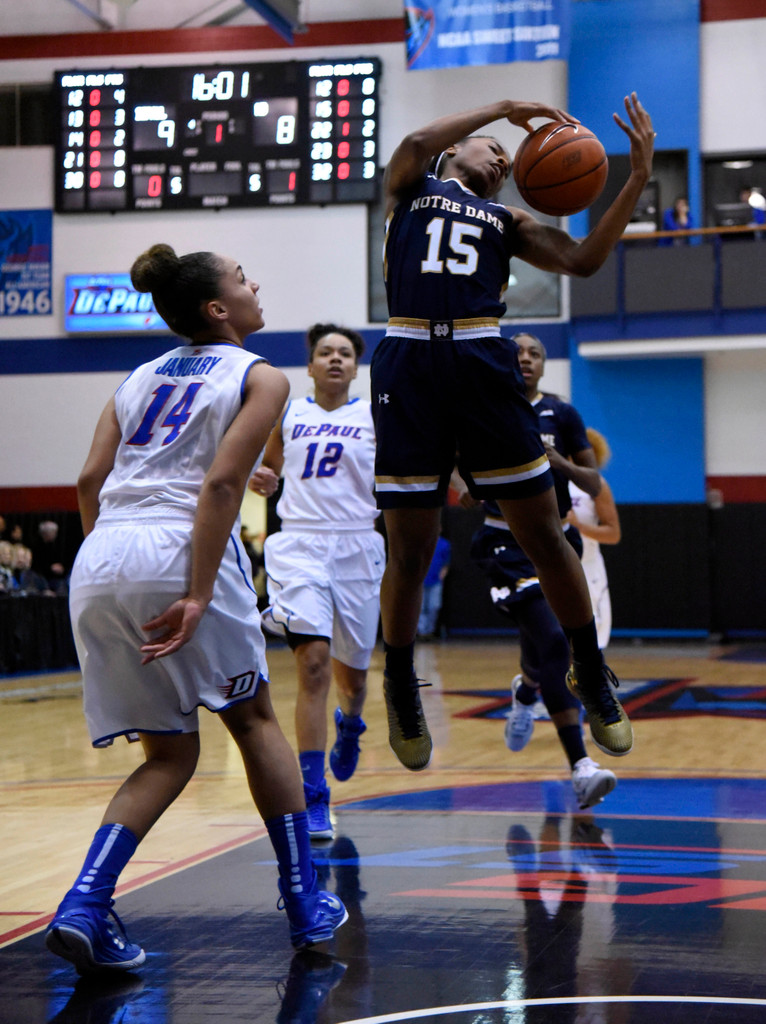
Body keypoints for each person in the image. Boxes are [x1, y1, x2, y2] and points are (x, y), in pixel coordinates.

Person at [44, 243, 347, 976]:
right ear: (218, 309)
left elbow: (89, 479)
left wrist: (117, 569)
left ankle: (86, 901)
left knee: (170, 752)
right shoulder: (262, 375)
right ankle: (304, 901)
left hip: (104, 556)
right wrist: (197, 590)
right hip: (183, 549)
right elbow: (219, 487)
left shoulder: (137, 377)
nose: (255, 284)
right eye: (243, 279)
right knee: (251, 720)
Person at [372, 94, 655, 771]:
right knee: (408, 552)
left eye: (506, 153)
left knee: (547, 536)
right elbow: (413, 141)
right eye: (489, 147)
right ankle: (401, 682)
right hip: (409, 360)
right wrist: (502, 108)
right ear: (454, 153)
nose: (501, 156)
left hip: (481, 359)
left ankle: (590, 670)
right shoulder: (412, 187)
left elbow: (584, 260)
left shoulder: (510, 219)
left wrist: (637, 178)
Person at [459, 334, 617, 810]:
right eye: (517, 352)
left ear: (545, 366)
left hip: (556, 538)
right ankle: (581, 767)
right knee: (553, 640)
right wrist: (462, 485)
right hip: (503, 539)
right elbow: (451, 463)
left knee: (548, 641)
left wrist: (559, 462)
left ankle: (527, 688)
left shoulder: (562, 414)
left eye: (535, 354)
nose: (525, 358)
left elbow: (593, 481)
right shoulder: (482, 406)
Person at [249, 323, 383, 841]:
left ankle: (350, 723)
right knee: (313, 665)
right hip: (300, 544)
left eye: (344, 353)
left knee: (353, 681)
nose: (334, 359)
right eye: (324, 352)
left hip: (356, 546)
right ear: (309, 366)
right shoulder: (289, 413)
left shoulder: (375, 417)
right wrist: (264, 478)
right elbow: (269, 471)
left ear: (355, 367)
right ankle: (314, 795)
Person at [567, 428, 621, 650]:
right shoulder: (550, 482)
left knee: (590, 641)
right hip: (554, 566)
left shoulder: (596, 484)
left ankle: (588, 682)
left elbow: (613, 533)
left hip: (587, 567)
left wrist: (579, 525)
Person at [417, 531, 451, 639]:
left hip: (436, 581)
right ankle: (422, 632)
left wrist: (442, 575)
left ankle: (429, 631)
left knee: (433, 606)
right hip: (420, 581)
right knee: (420, 607)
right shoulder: (419, 543)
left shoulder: (444, 544)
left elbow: (446, 562)